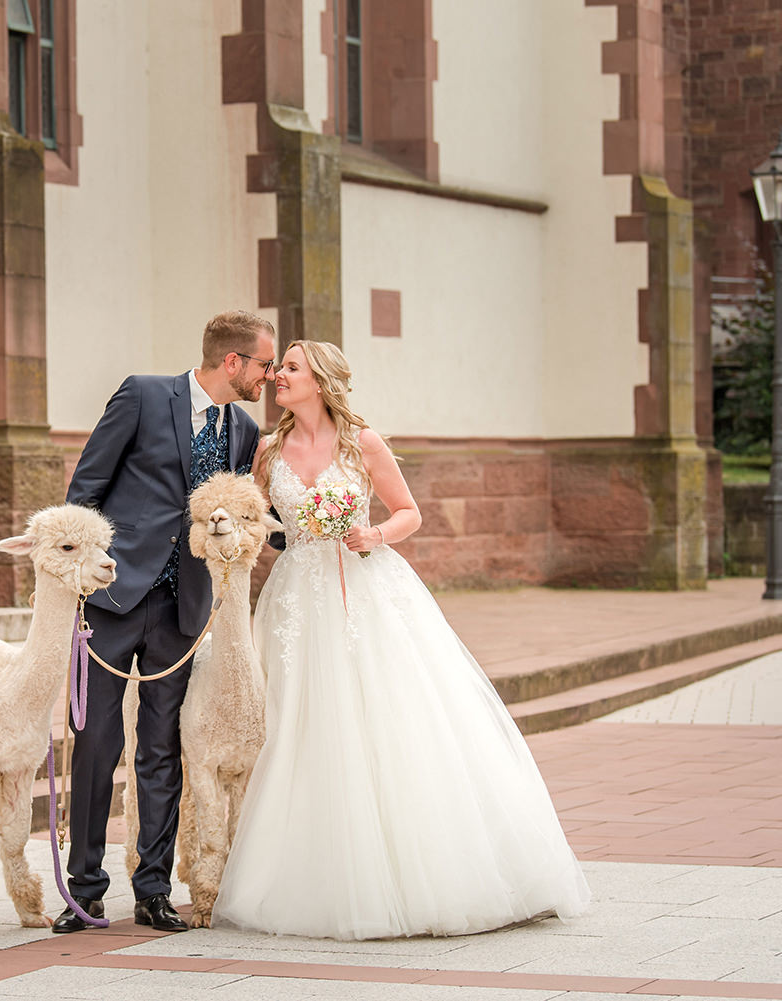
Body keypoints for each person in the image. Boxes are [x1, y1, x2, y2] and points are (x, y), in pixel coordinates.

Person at [213, 340, 590, 940]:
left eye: (291, 368)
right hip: (295, 598)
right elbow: (256, 520)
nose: (278, 375)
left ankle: (422, 869)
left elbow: (409, 511)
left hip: (364, 587)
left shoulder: (361, 443)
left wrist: (375, 534)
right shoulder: (266, 450)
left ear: (321, 382)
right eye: (278, 366)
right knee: (296, 718)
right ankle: (310, 870)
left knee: (384, 712)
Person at [54, 310, 275, 933]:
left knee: (161, 750)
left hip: (183, 610)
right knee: (97, 744)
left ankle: (152, 890)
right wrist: (78, 575)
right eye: (263, 364)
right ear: (232, 362)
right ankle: (84, 890)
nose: (268, 376)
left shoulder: (243, 430)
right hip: (112, 599)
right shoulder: (144, 395)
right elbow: (86, 488)